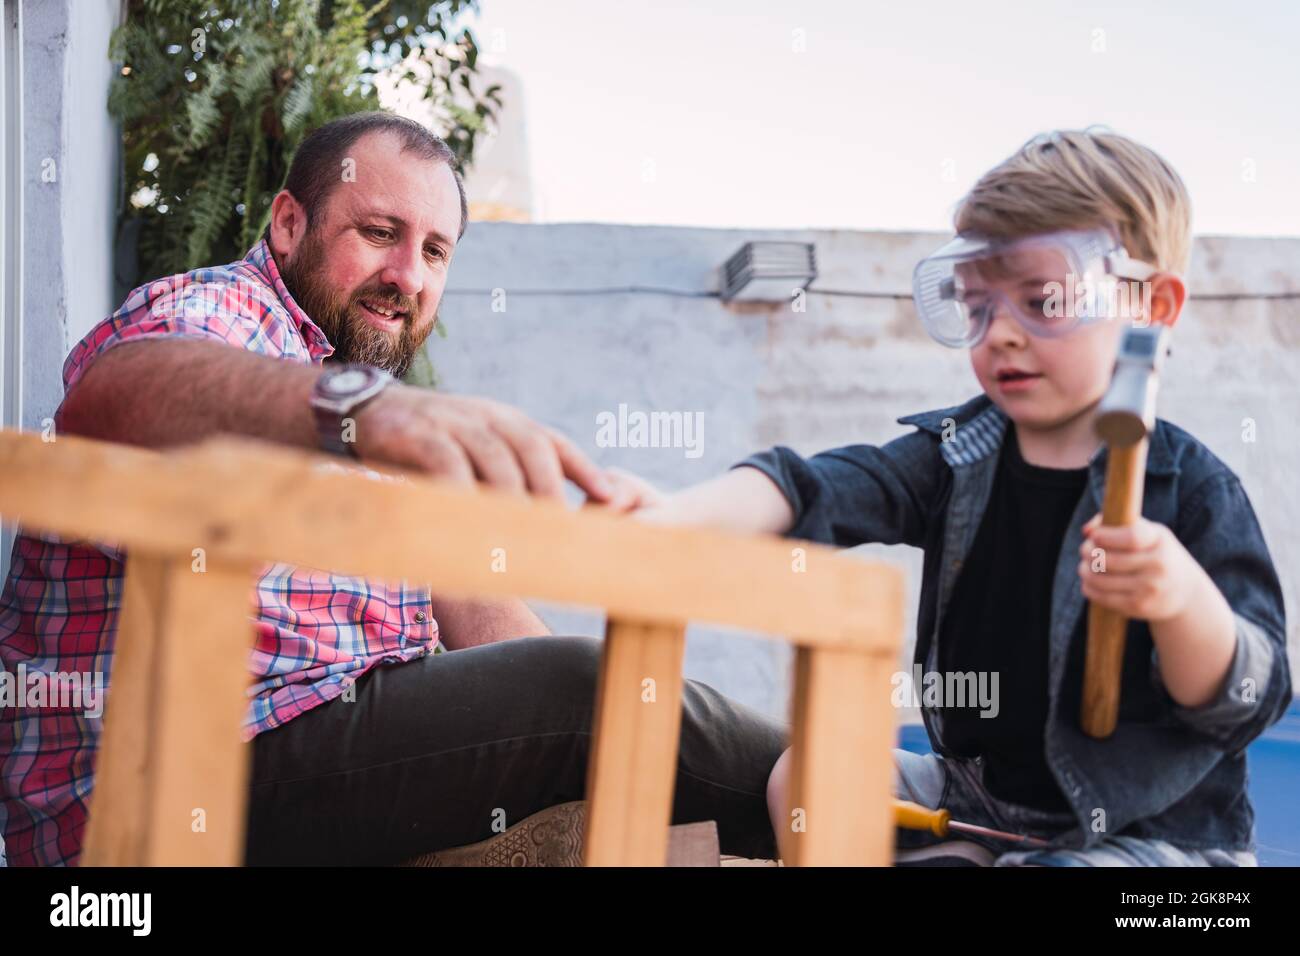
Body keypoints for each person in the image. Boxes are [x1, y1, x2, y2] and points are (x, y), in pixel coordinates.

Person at [0, 111, 785, 866]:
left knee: (614, 711)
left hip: (309, 762)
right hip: (167, 786)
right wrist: (368, 411)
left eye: (436, 252)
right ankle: (862, 794)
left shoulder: (355, 406)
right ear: (287, 225)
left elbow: (488, 621)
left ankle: (840, 795)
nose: (408, 276)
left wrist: (617, 707)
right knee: (587, 691)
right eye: (380, 234)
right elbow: (112, 397)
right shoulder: (226, 316)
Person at [605, 130, 1291, 866]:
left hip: (1151, 840)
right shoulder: (958, 455)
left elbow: (1248, 695)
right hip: (978, 804)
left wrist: (1180, 600)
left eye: (1043, 301)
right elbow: (824, 486)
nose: (1001, 335)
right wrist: (676, 518)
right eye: (976, 305)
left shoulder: (1192, 489)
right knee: (804, 773)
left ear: (1153, 305)